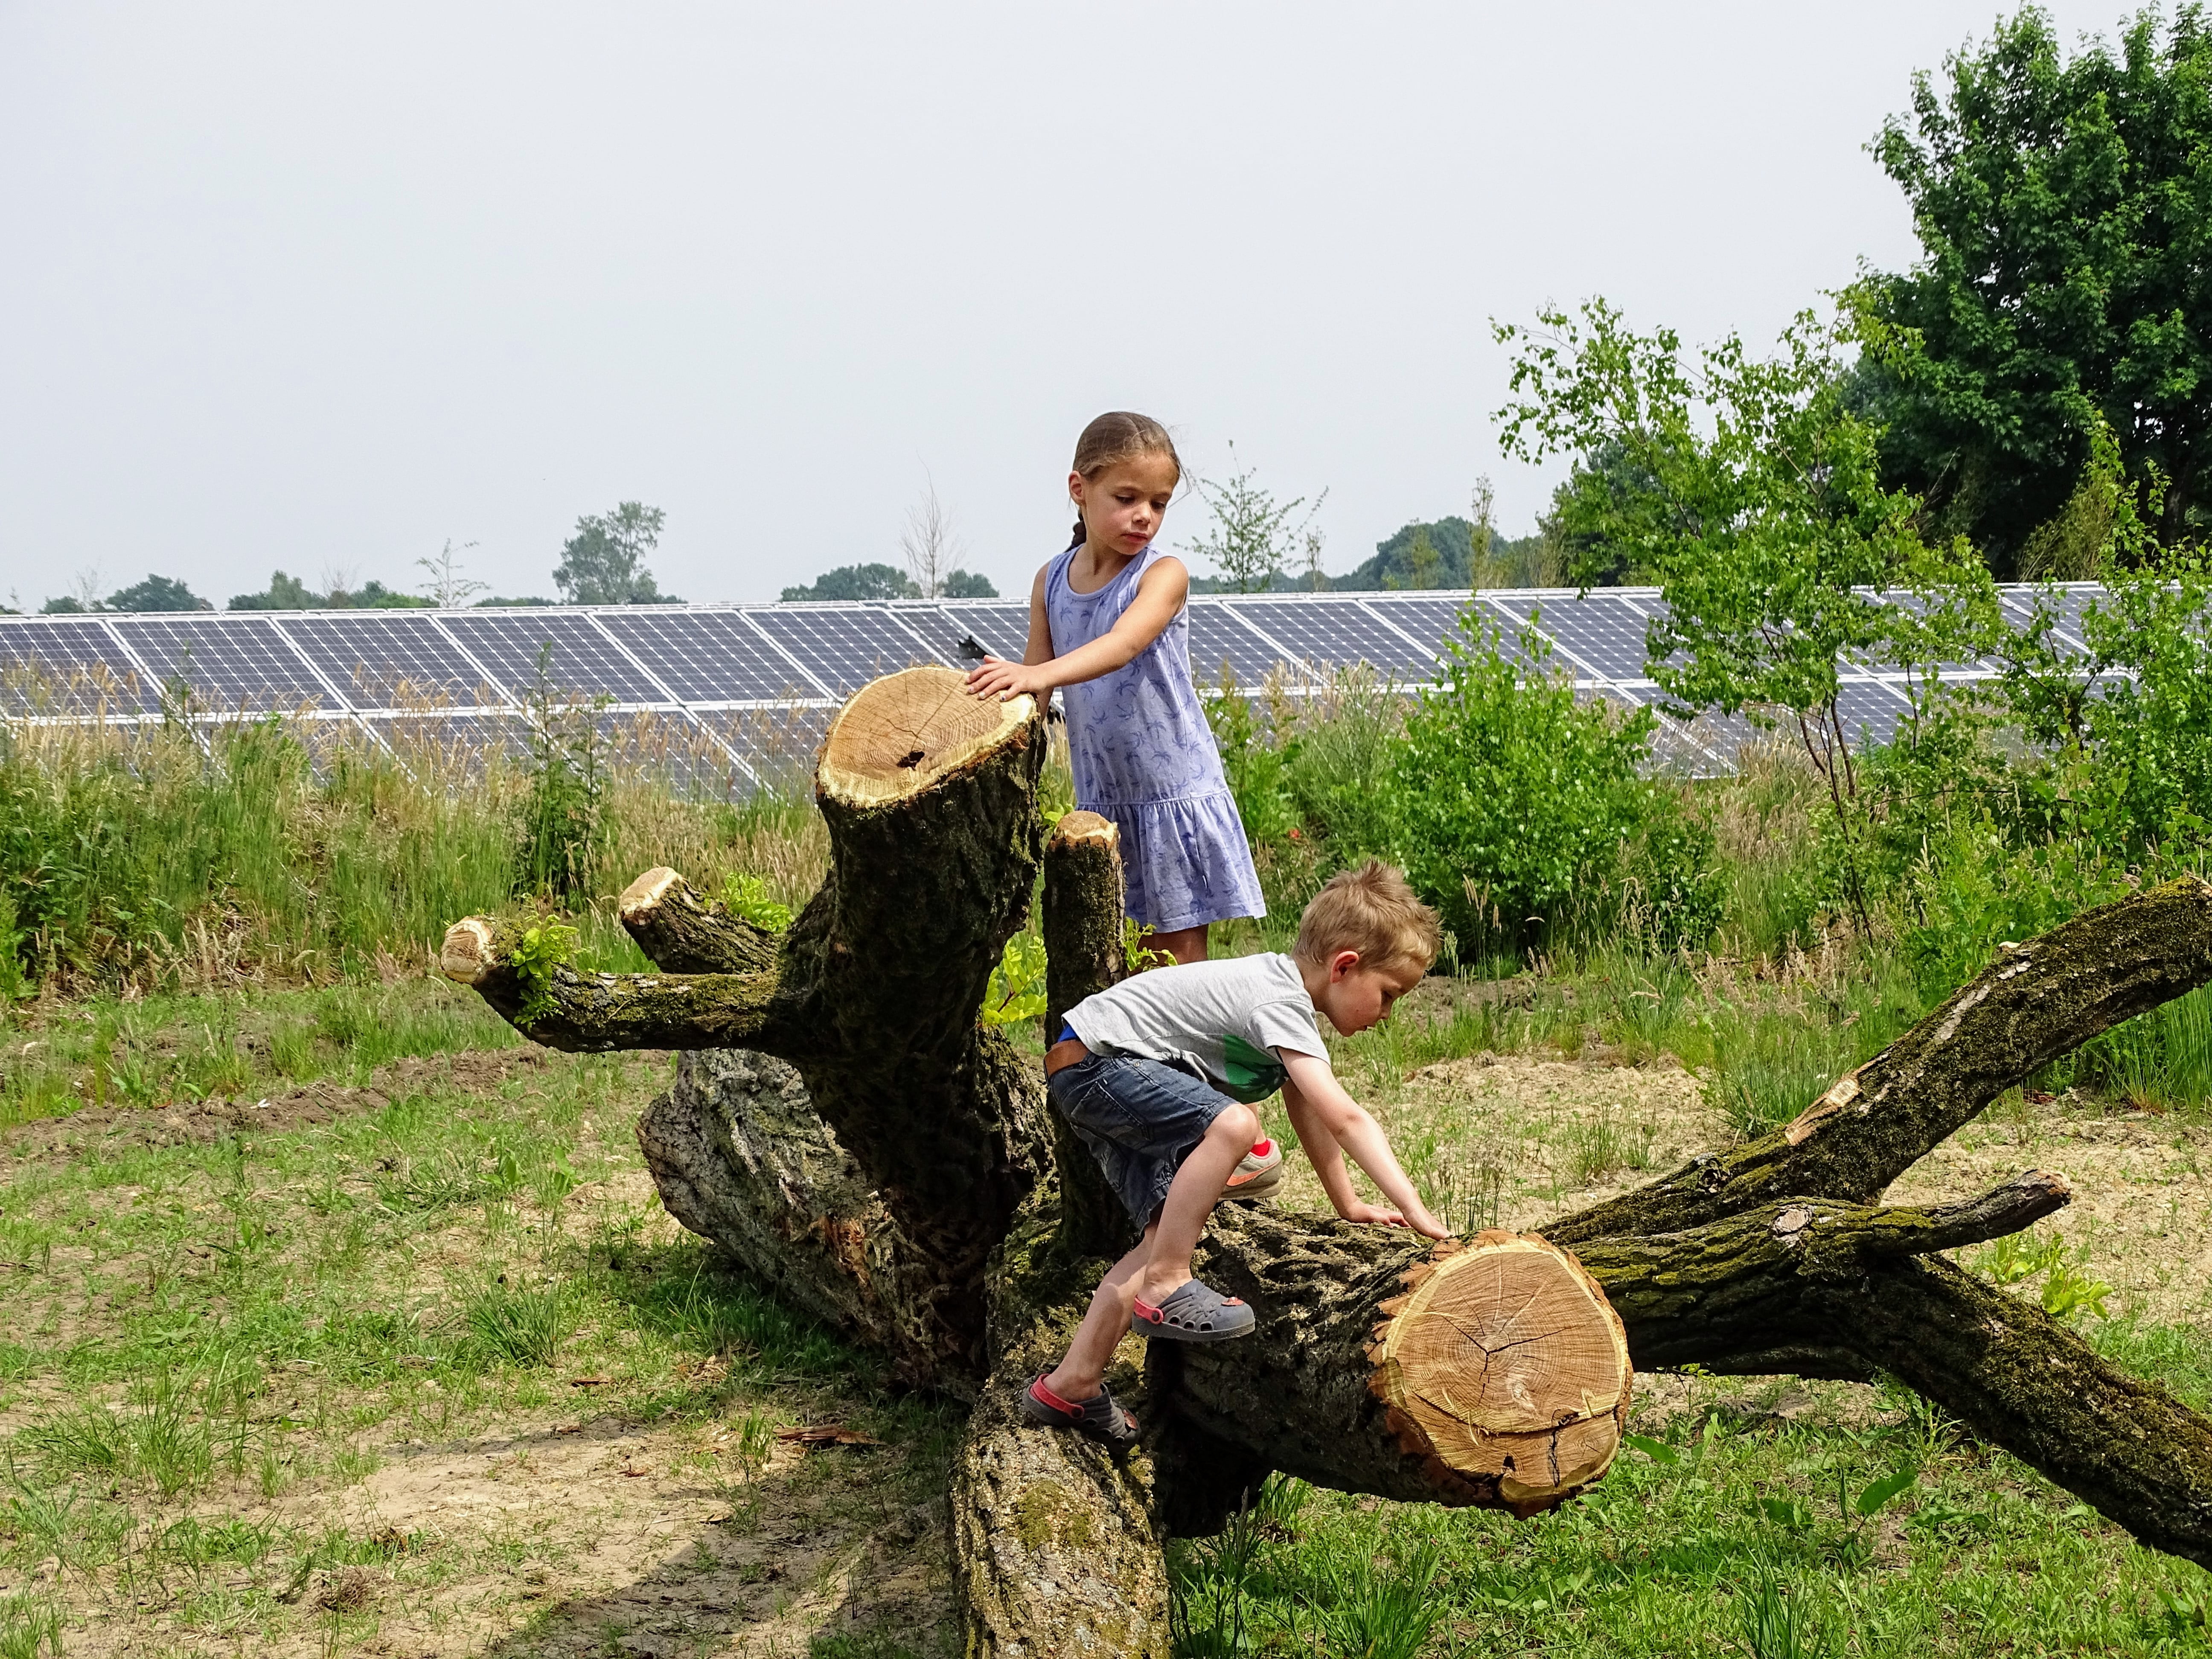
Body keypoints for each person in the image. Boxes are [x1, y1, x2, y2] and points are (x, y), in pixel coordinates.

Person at [1019, 862, 1451, 1443]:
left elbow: (1312, 1116)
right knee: (1235, 1126)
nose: (1387, 1016)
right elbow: (1347, 1118)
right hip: (1101, 1065)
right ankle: (1169, 1282)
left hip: (1090, 1072)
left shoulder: (1285, 1006)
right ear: (1345, 966)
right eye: (1388, 995)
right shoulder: (1278, 999)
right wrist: (1416, 1209)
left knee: (1160, 1237)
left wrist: (1347, 1203)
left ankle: (1072, 1381)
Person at [964, 410, 1262, 966]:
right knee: (1108, 963)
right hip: (1102, 801)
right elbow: (1034, 696)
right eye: (1127, 498)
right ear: (1079, 489)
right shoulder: (1051, 581)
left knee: (1176, 971)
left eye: (1159, 503)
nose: (1144, 515)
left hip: (1169, 793)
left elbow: (1122, 644)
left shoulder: (1163, 575)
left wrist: (1038, 675)